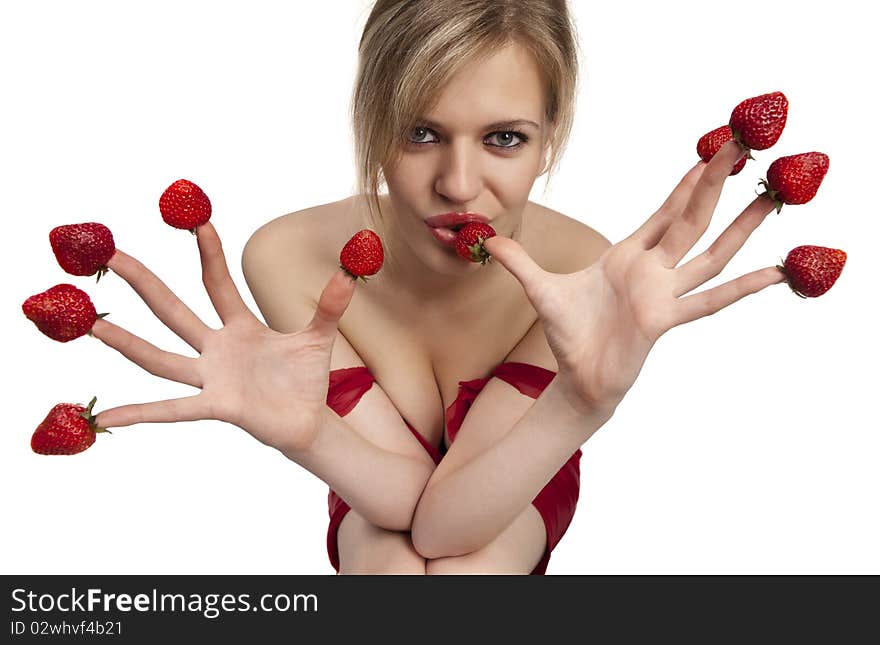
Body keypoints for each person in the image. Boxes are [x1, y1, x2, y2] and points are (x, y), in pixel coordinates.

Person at [88, 0, 783, 574]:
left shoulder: (582, 270)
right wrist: (307, 439)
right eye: (420, 132)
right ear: (372, 124)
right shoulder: (289, 256)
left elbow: (451, 531)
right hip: (367, 487)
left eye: (504, 138)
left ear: (551, 137)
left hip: (520, 478)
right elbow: (396, 505)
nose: (456, 184)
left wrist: (579, 403)